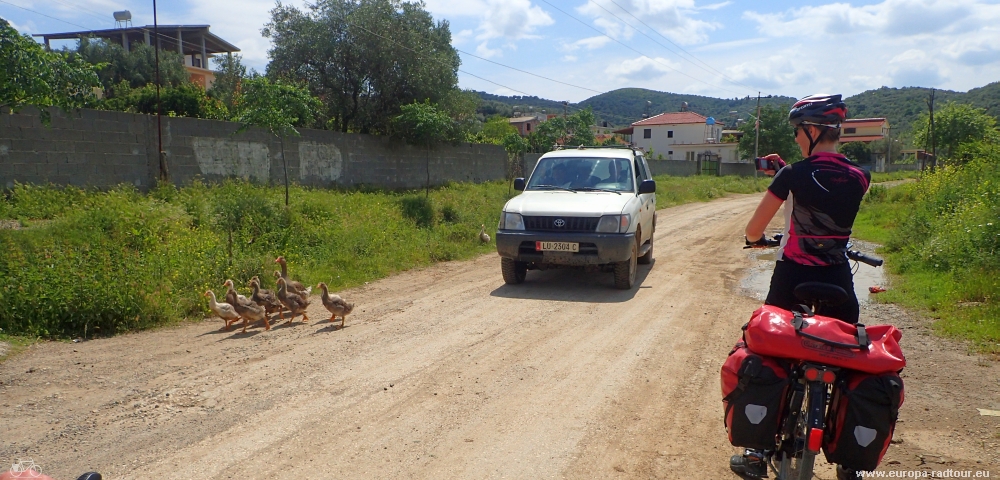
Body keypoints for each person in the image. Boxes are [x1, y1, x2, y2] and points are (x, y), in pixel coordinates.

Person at [730, 94, 871, 480]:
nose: (795, 138)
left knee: (768, 348)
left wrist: (757, 238)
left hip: (792, 276)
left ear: (812, 131)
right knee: (847, 359)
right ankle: (849, 459)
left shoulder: (791, 174)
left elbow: (755, 229)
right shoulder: (862, 176)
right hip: (839, 278)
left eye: (797, 131)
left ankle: (758, 449)